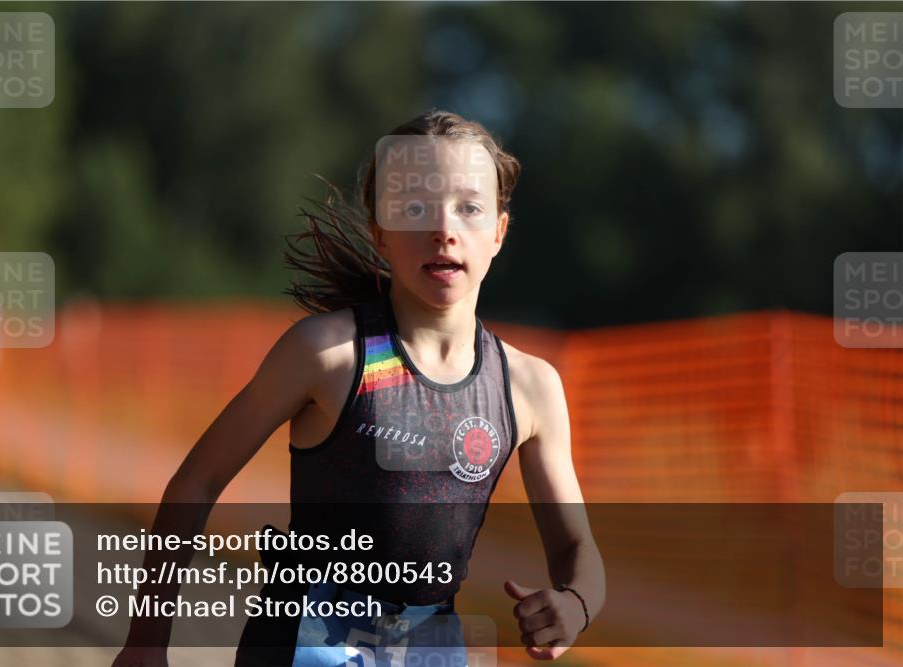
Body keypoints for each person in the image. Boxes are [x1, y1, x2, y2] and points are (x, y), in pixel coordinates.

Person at [111, 109, 605, 667]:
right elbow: (196, 482)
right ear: (380, 232)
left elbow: (575, 549)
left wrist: (576, 604)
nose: (444, 228)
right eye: (415, 208)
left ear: (499, 231)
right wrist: (147, 641)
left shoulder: (529, 386)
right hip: (300, 643)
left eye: (469, 208)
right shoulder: (326, 354)